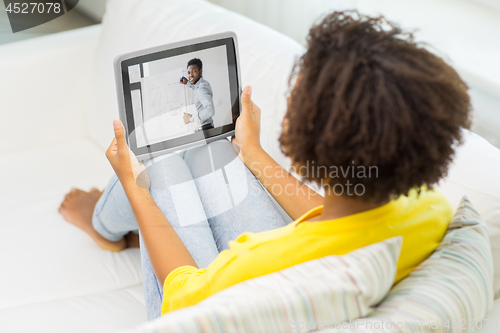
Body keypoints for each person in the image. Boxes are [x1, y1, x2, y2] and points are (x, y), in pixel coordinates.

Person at [58, 11, 471, 320]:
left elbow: (183, 297)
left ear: (306, 140)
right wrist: (253, 152)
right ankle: (124, 223)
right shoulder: (429, 209)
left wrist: (136, 189)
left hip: (205, 307)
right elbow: (338, 217)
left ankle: (104, 225)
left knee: (162, 168)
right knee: (212, 152)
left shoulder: (258, 261)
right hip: (299, 261)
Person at [179, 58, 215, 131]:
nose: (190, 75)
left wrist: (191, 118)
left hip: (205, 130)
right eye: (189, 73)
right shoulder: (202, 84)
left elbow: (210, 110)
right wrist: (187, 83)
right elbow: (196, 89)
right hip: (205, 128)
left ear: (200, 71)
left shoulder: (201, 88)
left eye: (194, 71)